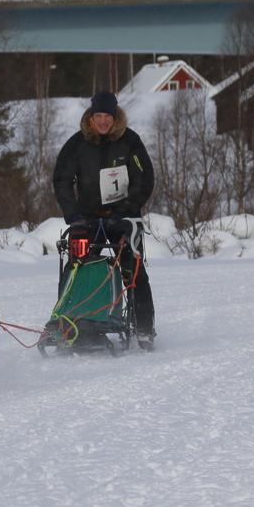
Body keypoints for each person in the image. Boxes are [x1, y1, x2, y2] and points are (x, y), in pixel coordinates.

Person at [52, 90, 157, 350]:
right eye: (97, 116)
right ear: (91, 117)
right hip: (86, 218)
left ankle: (144, 329)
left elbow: (144, 179)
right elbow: (62, 179)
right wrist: (73, 216)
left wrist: (128, 209)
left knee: (134, 272)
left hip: (123, 217)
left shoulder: (130, 142)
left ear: (115, 116)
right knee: (74, 269)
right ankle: (67, 324)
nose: (102, 121)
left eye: (107, 116)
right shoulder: (77, 144)